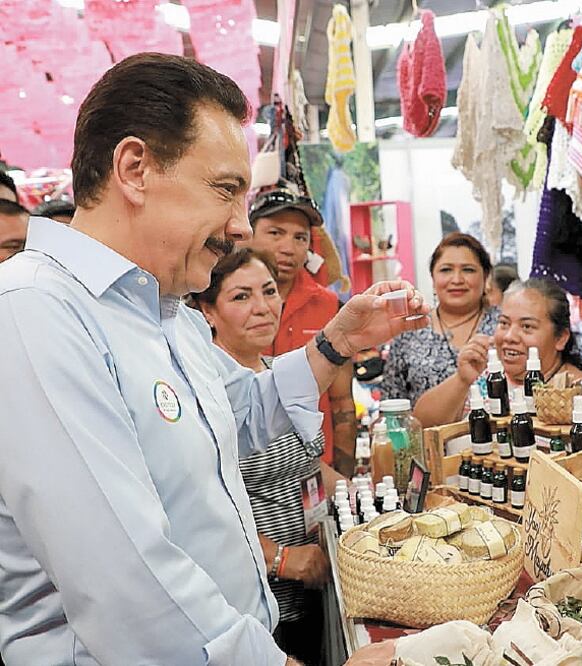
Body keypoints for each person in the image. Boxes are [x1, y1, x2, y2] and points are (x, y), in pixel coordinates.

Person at [0, 52, 428, 666]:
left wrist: (336, 341)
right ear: (134, 168)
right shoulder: (36, 313)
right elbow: (126, 580)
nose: (241, 227)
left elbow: (239, 411)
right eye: (226, 190)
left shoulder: (163, 310)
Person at [191, 247, 335, 666]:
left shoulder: (281, 375)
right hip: (258, 601)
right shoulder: (208, 393)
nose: (262, 308)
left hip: (313, 580)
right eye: (240, 297)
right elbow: (196, 509)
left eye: (269, 292)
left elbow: (307, 465)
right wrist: (280, 558)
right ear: (207, 313)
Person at [248, 186, 356, 475]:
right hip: (249, 470)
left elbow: (342, 400)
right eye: (275, 233)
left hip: (317, 469)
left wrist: (344, 475)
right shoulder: (219, 303)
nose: (288, 247)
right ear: (248, 234)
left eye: (300, 238)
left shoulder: (329, 305)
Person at [415, 278, 582, 427]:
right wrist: (462, 379)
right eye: (504, 323)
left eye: (527, 327)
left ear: (561, 338)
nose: (509, 336)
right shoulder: (486, 376)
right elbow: (422, 425)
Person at [382, 232, 500, 404]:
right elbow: (391, 402)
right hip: (423, 429)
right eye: (446, 270)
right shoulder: (410, 330)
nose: (457, 279)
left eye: (468, 270)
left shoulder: (504, 326)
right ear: (433, 278)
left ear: (485, 276)